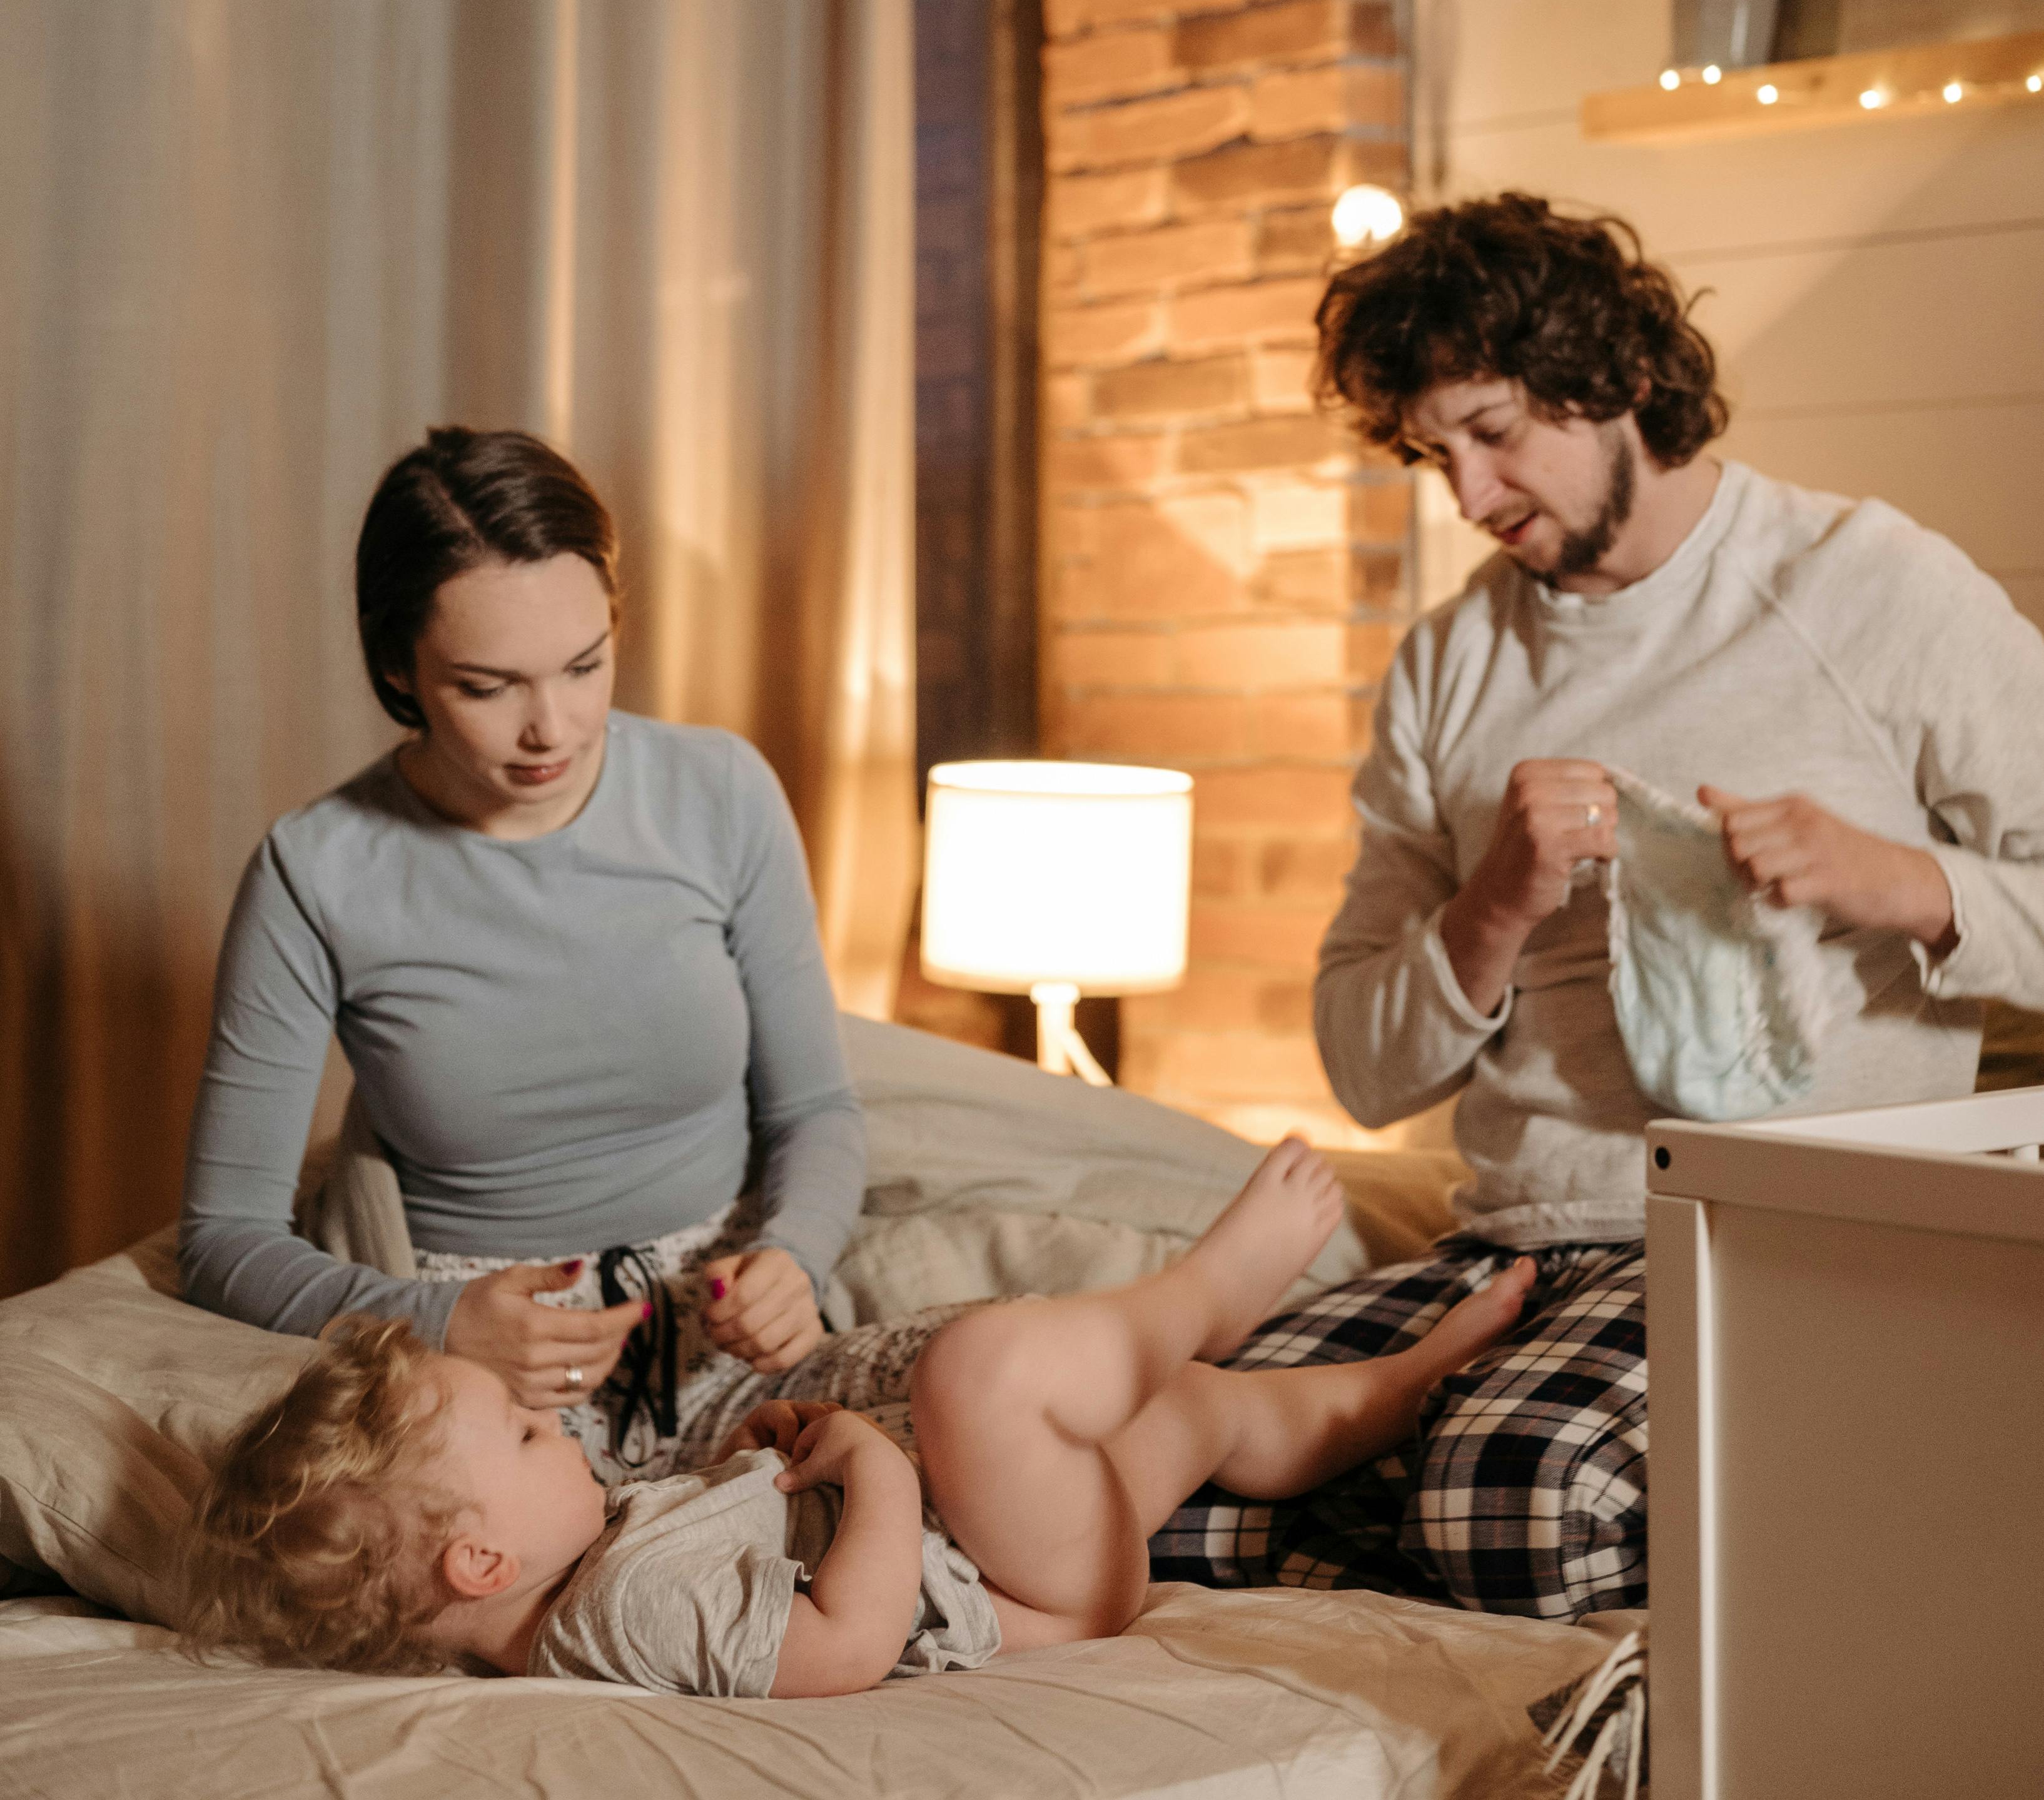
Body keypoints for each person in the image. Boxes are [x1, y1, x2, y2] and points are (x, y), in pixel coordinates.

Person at [1157, 193, 2044, 1622]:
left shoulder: (1868, 589)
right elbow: (1359, 1065)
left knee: (1509, 1499)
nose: (1467, 496)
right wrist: (1491, 910)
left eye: (1493, 430)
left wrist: (1903, 884)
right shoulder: (1450, 667)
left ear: (1616, 377)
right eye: (1432, 453)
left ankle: (1475, 1509)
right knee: (1133, 1457)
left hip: (1774, 1242)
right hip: (1514, 1245)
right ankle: (1482, 1512)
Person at [181, 426, 894, 1482]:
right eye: (487, 685)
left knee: (1011, 1403)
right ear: (398, 666)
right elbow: (224, 1239)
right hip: (488, 1385)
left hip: (737, 1333)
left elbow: (815, 1113)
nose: (551, 728)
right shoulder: (316, 869)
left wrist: (795, 1254)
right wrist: (436, 1321)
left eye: (585, 665)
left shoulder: (720, 792)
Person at [180, 1140, 1533, 1689]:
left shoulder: (587, 1574)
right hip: (1023, 1591)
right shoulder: (620, 1609)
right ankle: (1198, 1291)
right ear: (479, 1564)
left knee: (1206, 1419)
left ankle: (1394, 1386)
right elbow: (845, 1643)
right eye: (533, 1440)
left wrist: (755, 1441)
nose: (565, 1436)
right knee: (973, 1380)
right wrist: (873, 1473)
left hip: (1010, 1540)